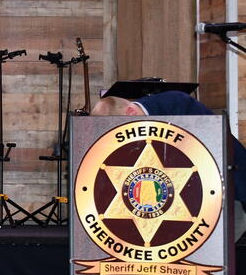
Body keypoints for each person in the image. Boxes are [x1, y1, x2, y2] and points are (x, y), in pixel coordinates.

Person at [92, 91, 246, 241]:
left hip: (223, 193)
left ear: (131, 111)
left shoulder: (178, 105)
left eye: (118, 128)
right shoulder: (128, 132)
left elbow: (216, 146)